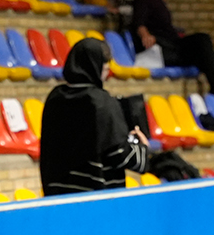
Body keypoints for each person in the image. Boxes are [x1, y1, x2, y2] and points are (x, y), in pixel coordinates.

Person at [39, 38, 148, 196]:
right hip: (94, 198)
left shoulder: (54, 98)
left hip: (57, 195)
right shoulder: (102, 103)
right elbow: (119, 155)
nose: (106, 75)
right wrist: (142, 149)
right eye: (105, 69)